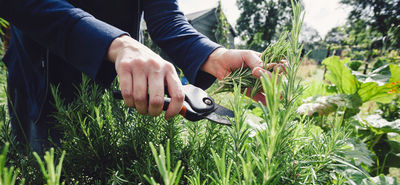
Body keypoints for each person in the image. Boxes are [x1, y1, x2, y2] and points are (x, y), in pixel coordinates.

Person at [1, 0, 271, 153]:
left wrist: (216, 57)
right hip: (41, 81)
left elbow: (166, 18)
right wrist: (117, 44)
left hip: (119, 84)